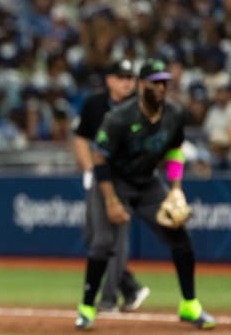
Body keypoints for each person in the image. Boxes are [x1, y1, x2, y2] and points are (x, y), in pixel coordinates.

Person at [75, 58, 215, 330]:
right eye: (155, 83)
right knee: (102, 243)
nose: (161, 88)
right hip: (113, 182)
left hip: (148, 183)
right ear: (141, 85)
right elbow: (99, 158)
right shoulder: (120, 117)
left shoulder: (174, 114)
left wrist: (175, 189)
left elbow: (175, 150)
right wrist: (112, 201)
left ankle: (189, 305)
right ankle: (87, 307)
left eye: (164, 83)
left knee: (181, 237)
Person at [72, 59, 149, 312]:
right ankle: (131, 287)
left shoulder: (140, 105)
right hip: (100, 177)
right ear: (110, 80)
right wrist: (88, 171)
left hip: (126, 179)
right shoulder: (95, 104)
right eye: (121, 76)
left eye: (130, 77)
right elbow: (81, 139)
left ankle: (108, 299)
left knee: (115, 239)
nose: (127, 81)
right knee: (94, 238)